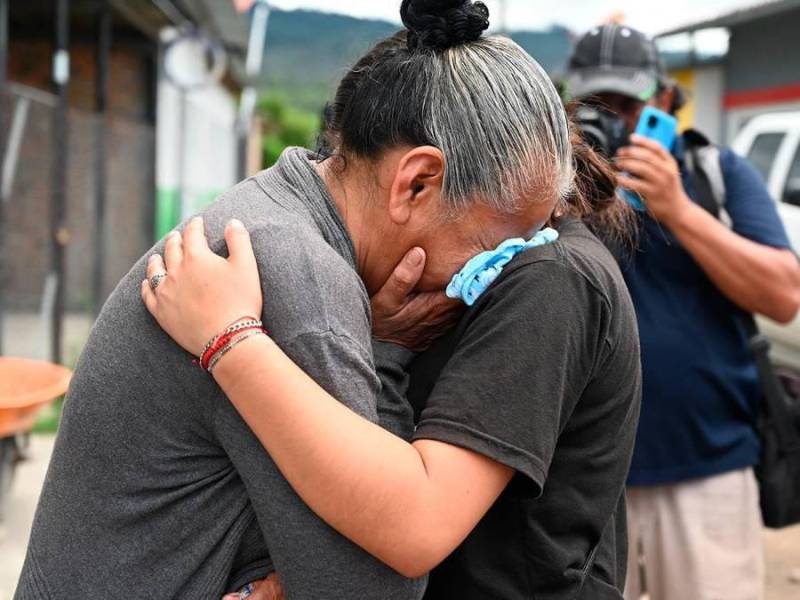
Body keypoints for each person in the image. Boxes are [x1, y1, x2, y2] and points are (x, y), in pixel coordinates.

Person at [14, 1, 613, 599]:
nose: (489, 279)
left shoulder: (273, 210)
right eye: (493, 247)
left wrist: (386, 346)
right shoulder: (299, 286)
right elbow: (374, 589)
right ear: (417, 183)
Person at [564, 24, 800, 600]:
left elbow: (784, 294)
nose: (611, 120)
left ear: (665, 102)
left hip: (706, 467)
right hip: (583, 475)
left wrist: (679, 211)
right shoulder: (554, 185)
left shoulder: (713, 173)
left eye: (627, 103)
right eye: (595, 105)